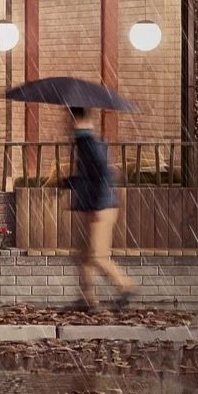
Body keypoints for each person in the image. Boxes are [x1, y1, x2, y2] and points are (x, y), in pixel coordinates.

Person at [66, 108, 136, 310]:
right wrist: (67, 182)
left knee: (96, 256)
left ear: (79, 120)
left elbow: (104, 174)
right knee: (84, 256)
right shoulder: (84, 143)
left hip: (101, 208)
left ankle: (125, 286)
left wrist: (97, 203)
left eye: (71, 119)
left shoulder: (89, 143)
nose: (68, 124)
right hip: (97, 206)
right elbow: (89, 176)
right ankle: (87, 299)